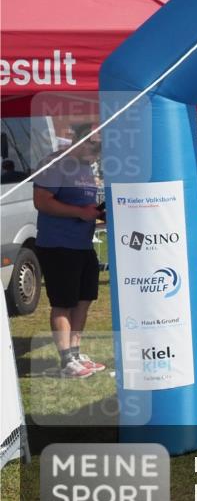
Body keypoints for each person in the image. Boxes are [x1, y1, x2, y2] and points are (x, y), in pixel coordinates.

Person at [33, 124, 106, 379]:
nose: (97, 151)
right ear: (76, 138)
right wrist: (80, 213)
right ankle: (66, 360)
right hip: (58, 245)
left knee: (84, 300)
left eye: (99, 147)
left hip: (83, 244)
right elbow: (41, 201)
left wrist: (98, 215)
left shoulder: (86, 167)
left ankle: (75, 353)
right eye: (93, 144)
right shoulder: (55, 162)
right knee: (63, 303)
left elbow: (84, 207)